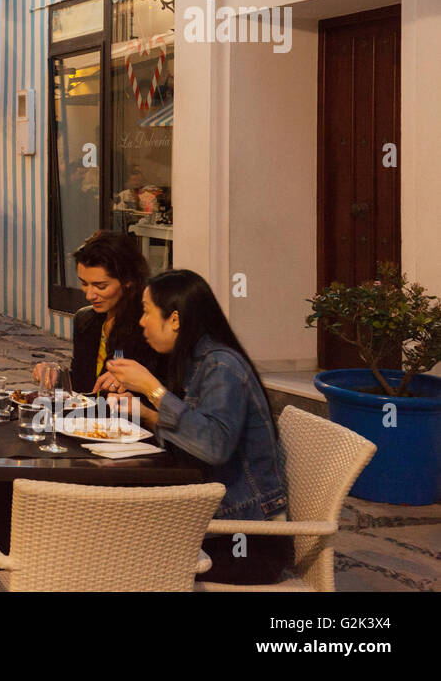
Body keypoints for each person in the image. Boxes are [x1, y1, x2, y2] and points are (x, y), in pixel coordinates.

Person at [105, 269, 292, 585]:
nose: (141, 322)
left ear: (175, 319)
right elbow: (199, 430)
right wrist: (148, 414)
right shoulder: (198, 359)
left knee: (121, 556)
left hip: (249, 540)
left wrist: (152, 389)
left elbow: (213, 445)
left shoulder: (222, 365)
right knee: (113, 534)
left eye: (147, 312)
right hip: (220, 523)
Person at [34, 230, 164, 395]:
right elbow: (83, 386)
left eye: (100, 286)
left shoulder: (149, 328)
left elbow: (165, 398)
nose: (89, 295)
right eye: (84, 283)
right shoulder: (86, 320)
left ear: (128, 281)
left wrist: (131, 382)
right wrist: (56, 376)